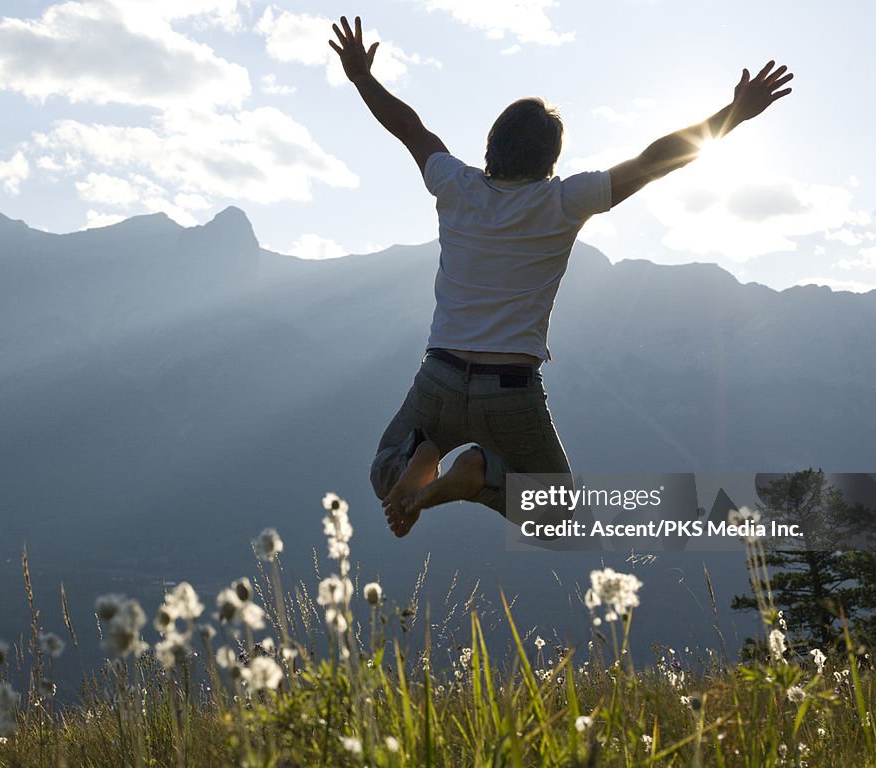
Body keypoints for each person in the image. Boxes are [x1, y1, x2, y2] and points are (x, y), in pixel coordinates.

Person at [328, 15, 792, 538]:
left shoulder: (454, 185)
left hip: (438, 376)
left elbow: (409, 127)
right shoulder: (564, 201)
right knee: (555, 512)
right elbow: (655, 160)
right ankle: (476, 477)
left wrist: (361, 77)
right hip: (510, 391)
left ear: (490, 145)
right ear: (550, 161)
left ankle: (420, 452)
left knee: (383, 471)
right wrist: (735, 114)